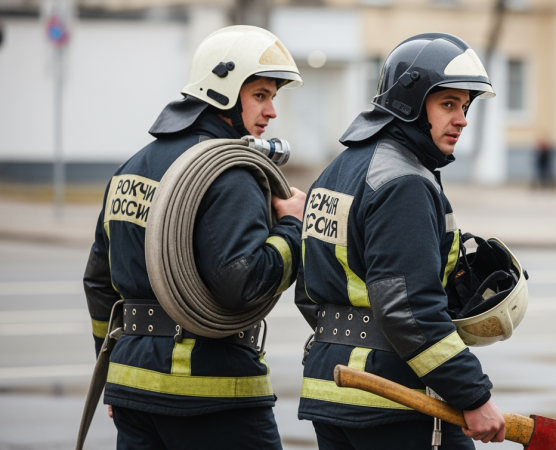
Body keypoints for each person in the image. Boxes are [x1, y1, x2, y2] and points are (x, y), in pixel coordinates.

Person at [82, 26, 306, 449]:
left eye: (272, 97)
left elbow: (98, 281)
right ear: (223, 92)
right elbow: (243, 282)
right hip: (209, 390)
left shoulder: (131, 167)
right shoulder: (231, 172)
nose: (272, 111)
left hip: (131, 388)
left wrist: (109, 365)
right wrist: (293, 226)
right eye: (260, 95)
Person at [294, 33, 505, 449]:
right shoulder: (404, 182)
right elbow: (408, 311)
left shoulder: (337, 171)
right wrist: (473, 394)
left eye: (464, 106)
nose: (462, 118)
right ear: (410, 104)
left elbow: (310, 290)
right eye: (448, 104)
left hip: (330, 390)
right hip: (394, 400)